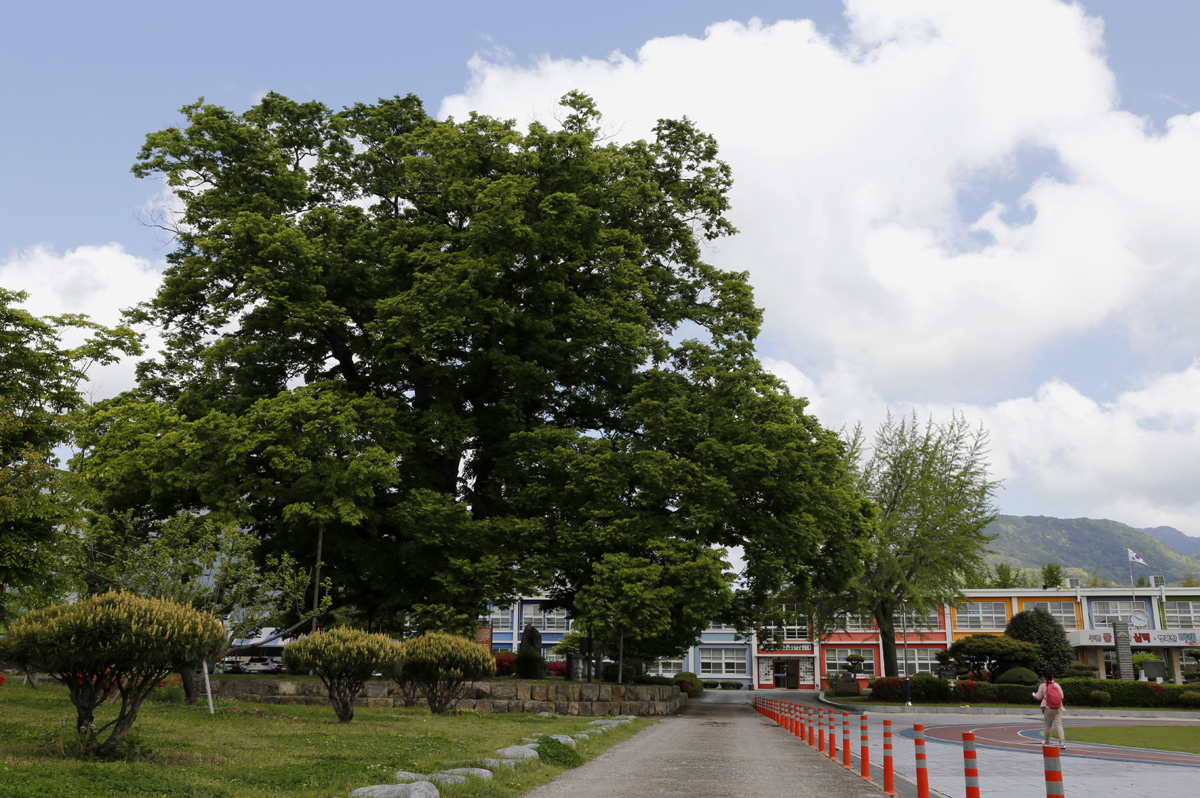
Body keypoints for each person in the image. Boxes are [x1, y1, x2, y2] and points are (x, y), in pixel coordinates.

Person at [1033, 668, 1066, 748]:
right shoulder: (1056, 685)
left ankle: (1047, 742)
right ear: (1052, 675)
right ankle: (1062, 743)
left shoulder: (1042, 685)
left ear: (1043, 676)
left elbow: (1038, 697)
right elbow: (1062, 696)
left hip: (1048, 708)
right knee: (1059, 725)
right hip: (1058, 707)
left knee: (1048, 725)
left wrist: (1034, 695)